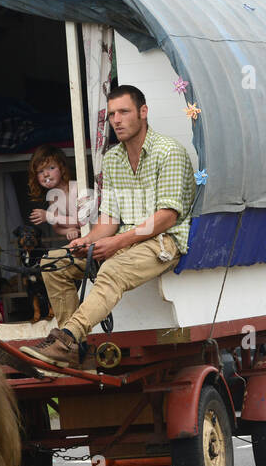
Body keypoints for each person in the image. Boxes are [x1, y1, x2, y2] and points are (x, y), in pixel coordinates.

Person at [22, 85, 196, 368]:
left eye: (124, 111)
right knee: (53, 261)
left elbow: (167, 217)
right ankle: (71, 348)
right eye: (112, 114)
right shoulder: (113, 159)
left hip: (163, 241)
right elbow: (109, 220)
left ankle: (67, 337)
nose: (116, 120)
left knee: (112, 269)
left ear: (143, 112)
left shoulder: (169, 152)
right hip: (126, 240)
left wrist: (116, 243)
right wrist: (86, 241)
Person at [25, 145, 82, 242]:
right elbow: (56, 227)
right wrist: (69, 231)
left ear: (62, 168)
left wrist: (49, 216)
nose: (46, 174)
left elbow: (80, 221)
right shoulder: (53, 196)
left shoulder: (75, 188)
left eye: (51, 168)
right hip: (80, 241)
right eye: (40, 171)